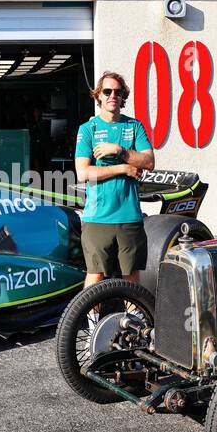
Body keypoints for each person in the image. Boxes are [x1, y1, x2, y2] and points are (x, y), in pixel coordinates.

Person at [74, 71, 155, 287]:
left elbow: (148, 162)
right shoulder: (87, 130)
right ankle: (90, 321)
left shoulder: (134, 126)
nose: (112, 96)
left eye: (118, 92)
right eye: (107, 91)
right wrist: (123, 168)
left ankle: (134, 321)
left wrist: (118, 149)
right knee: (96, 276)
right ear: (98, 95)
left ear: (123, 97)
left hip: (129, 216)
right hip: (98, 216)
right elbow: (83, 173)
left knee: (131, 278)